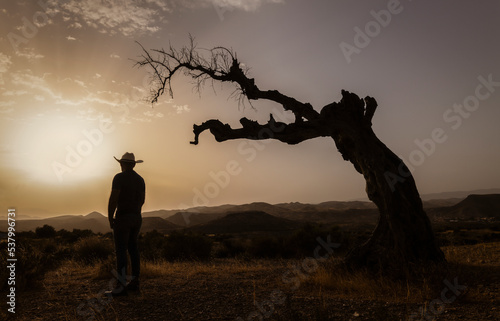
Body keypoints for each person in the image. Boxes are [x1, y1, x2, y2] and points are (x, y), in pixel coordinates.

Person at [106, 152, 145, 297]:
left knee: (121, 250)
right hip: (136, 217)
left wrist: (111, 217)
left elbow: (113, 199)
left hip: (123, 217)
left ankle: (120, 287)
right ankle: (135, 283)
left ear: (122, 164)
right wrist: (135, 212)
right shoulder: (140, 180)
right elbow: (142, 200)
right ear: (134, 165)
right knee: (133, 249)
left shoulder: (119, 178)